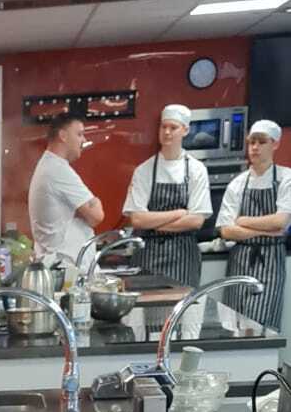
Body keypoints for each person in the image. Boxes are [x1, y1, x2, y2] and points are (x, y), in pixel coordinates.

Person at [122, 104, 210, 291]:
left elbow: (196, 221)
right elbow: (137, 220)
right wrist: (179, 213)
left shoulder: (196, 170)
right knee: (145, 309)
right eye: (164, 127)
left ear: (185, 130)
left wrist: (152, 223)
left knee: (182, 308)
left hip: (183, 257)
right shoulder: (144, 170)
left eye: (173, 127)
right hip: (147, 256)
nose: (167, 132)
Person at [217, 119, 291, 332]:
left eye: (261, 142)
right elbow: (226, 230)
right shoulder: (238, 183)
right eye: (252, 142)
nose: (255, 147)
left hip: (270, 263)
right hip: (239, 261)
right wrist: (266, 230)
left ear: (275, 144)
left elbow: (280, 221)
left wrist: (242, 221)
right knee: (234, 326)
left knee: (260, 327)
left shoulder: (286, 178)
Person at [27, 116, 103, 269]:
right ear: (63, 136)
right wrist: (96, 201)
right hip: (66, 268)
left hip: (62, 264)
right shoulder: (58, 170)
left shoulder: (49, 165)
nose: (84, 140)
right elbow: (96, 216)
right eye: (79, 134)